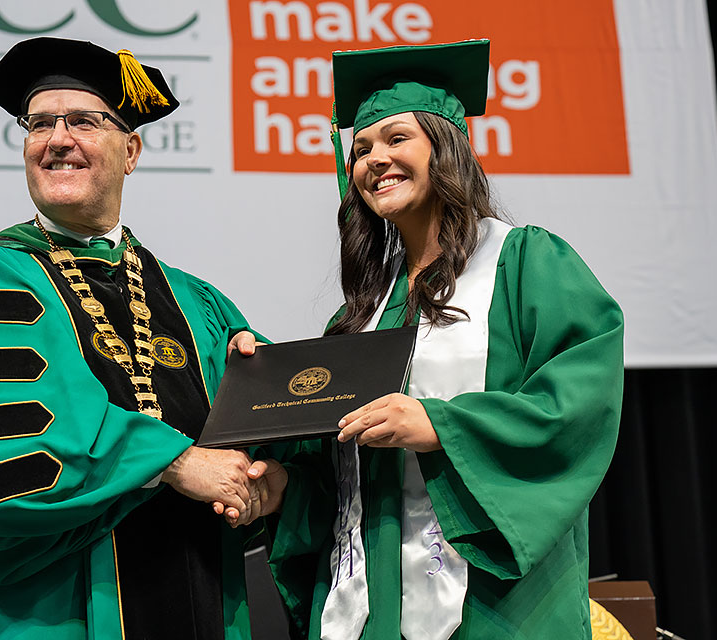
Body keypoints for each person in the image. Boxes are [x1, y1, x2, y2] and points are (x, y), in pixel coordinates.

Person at [0, 37, 282, 640]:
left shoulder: (198, 304)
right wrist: (175, 463)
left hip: (199, 598)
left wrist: (273, 476)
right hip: (44, 614)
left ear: (130, 150)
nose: (57, 140)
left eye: (82, 120)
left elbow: (273, 425)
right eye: (39, 124)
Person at [261, 40, 625, 639]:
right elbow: (335, 482)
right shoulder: (359, 318)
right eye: (361, 150)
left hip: (492, 603)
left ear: (446, 146)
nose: (374, 158)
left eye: (397, 139)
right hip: (367, 607)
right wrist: (282, 486)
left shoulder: (525, 263)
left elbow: (577, 406)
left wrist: (441, 426)